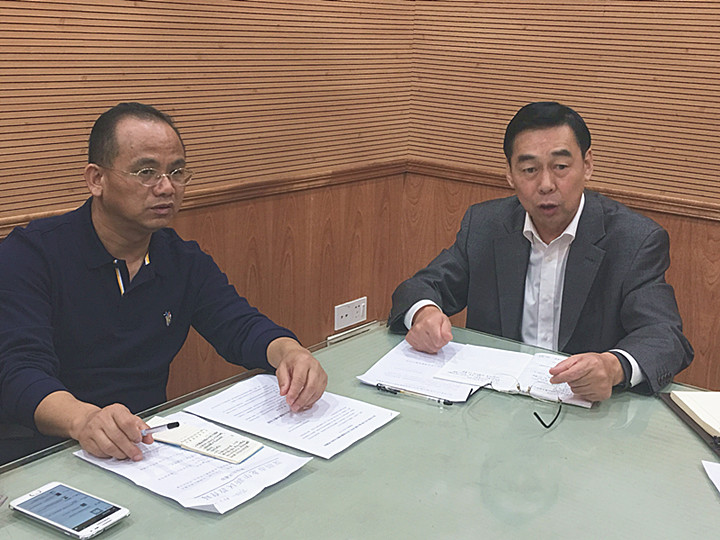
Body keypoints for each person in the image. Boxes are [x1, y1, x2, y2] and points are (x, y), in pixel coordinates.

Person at [0, 102, 327, 464]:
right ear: (97, 179)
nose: (166, 187)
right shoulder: (30, 255)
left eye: (177, 172)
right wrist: (84, 419)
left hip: (143, 446)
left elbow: (240, 326)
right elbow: (19, 371)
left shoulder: (182, 259)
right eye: (146, 172)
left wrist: (290, 352)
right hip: (43, 451)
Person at [388, 101, 693, 402]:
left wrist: (613, 367)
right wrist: (424, 313)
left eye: (560, 167)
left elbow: (665, 336)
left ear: (587, 165)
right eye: (530, 169)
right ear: (510, 174)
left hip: (584, 412)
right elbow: (420, 286)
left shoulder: (633, 240)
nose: (546, 184)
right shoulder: (485, 226)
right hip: (496, 405)